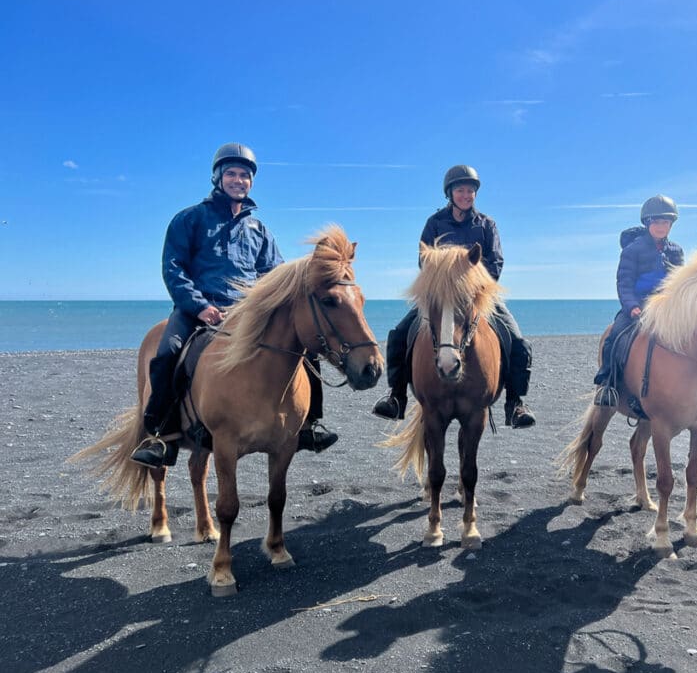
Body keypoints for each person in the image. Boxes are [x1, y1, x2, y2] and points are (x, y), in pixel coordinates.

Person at [131, 143, 339, 469]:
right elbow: (174, 269)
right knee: (167, 353)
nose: (238, 180)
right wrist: (199, 306)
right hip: (196, 311)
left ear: (251, 182)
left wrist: (263, 307)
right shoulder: (190, 219)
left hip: (247, 314)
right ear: (218, 177)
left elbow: (274, 276)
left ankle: (310, 425)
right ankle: (160, 435)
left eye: (244, 175)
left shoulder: (259, 231)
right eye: (231, 173)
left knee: (306, 348)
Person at [371, 164, 536, 429]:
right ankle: (397, 397)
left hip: (477, 296)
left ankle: (515, 403)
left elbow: (495, 262)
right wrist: (442, 284)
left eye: (470, 190)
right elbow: (424, 260)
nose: (466, 195)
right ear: (450, 193)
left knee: (517, 340)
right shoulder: (434, 223)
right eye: (460, 190)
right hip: (439, 296)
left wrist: (474, 288)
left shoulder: (487, 225)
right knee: (400, 333)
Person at [593, 194, 684, 406]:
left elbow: (681, 284)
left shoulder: (676, 251)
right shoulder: (633, 250)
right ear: (647, 223)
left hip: (668, 308)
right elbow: (624, 282)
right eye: (656, 222)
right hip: (639, 306)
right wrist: (632, 306)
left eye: (665, 222)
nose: (661, 227)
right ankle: (608, 383)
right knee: (615, 337)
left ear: (671, 224)